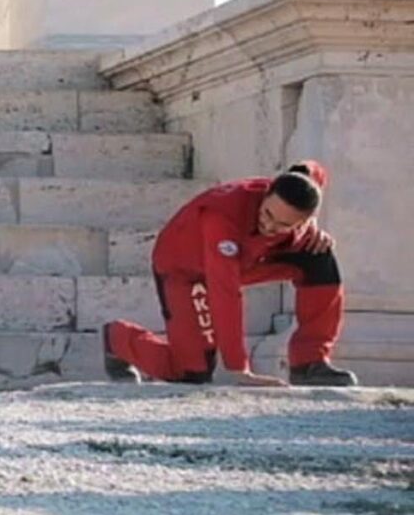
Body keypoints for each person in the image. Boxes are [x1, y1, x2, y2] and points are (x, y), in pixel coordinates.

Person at [103, 161, 356, 387]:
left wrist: (313, 227)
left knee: (319, 256)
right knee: (193, 373)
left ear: (302, 221)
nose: (269, 226)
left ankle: (309, 364)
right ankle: (117, 339)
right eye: (267, 214)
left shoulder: (299, 196)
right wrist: (239, 368)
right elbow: (224, 293)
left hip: (250, 257)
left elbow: (314, 171)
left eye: (283, 225)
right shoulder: (222, 217)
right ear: (266, 193)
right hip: (186, 269)